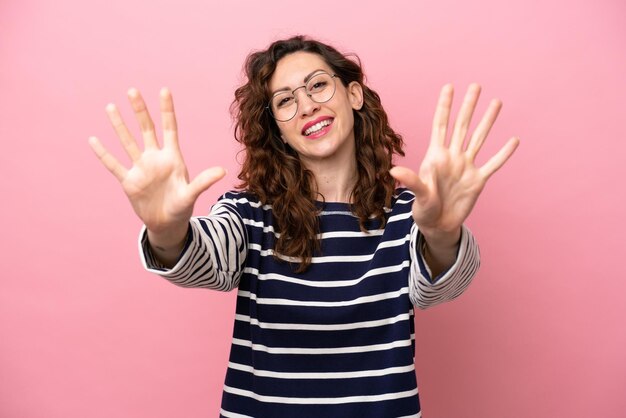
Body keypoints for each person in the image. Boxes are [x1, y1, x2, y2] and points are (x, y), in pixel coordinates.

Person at [89, 36, 519, 418]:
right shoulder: (249, 213)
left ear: (353, 93)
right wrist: (166, 232)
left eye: (317, 85)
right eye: (285, 100)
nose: (307, 105)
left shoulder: (412, 210)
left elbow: (438, 289)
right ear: (278, 128)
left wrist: (443, 234)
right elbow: (204, 259)